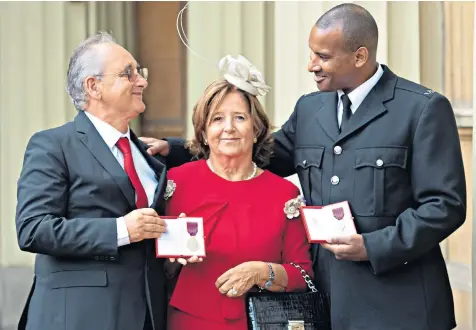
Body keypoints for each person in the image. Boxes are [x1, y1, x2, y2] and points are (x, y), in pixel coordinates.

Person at [142, 3, 467, 330]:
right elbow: (261, 153)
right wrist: (176, 149)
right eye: (312, 53)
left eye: (322, 56)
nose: (311, 65)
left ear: (359, 56)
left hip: (399, 302)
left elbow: (445, 206)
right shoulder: (311, 108)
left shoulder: (421, 108)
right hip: (329, 302)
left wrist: (373, 245)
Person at [15, 32, 169, 330]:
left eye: (140, 72)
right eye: (129, 73)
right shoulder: (53, 145)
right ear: (93, 86)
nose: (142, 81)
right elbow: (34, 229)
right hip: (79, 316)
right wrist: (121, 229)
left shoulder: (147, 155)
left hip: (147, 314)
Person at [160, 55, 313, 330]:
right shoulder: (174, 184)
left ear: (256, 130)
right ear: (204, 133)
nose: (228, 128)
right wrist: (170, 265)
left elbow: (303, 274)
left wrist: (262, 272)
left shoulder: (284, 193)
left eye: (239, 118)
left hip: (262, 322)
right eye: (217, 119)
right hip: (189, 322)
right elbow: (149, 273)